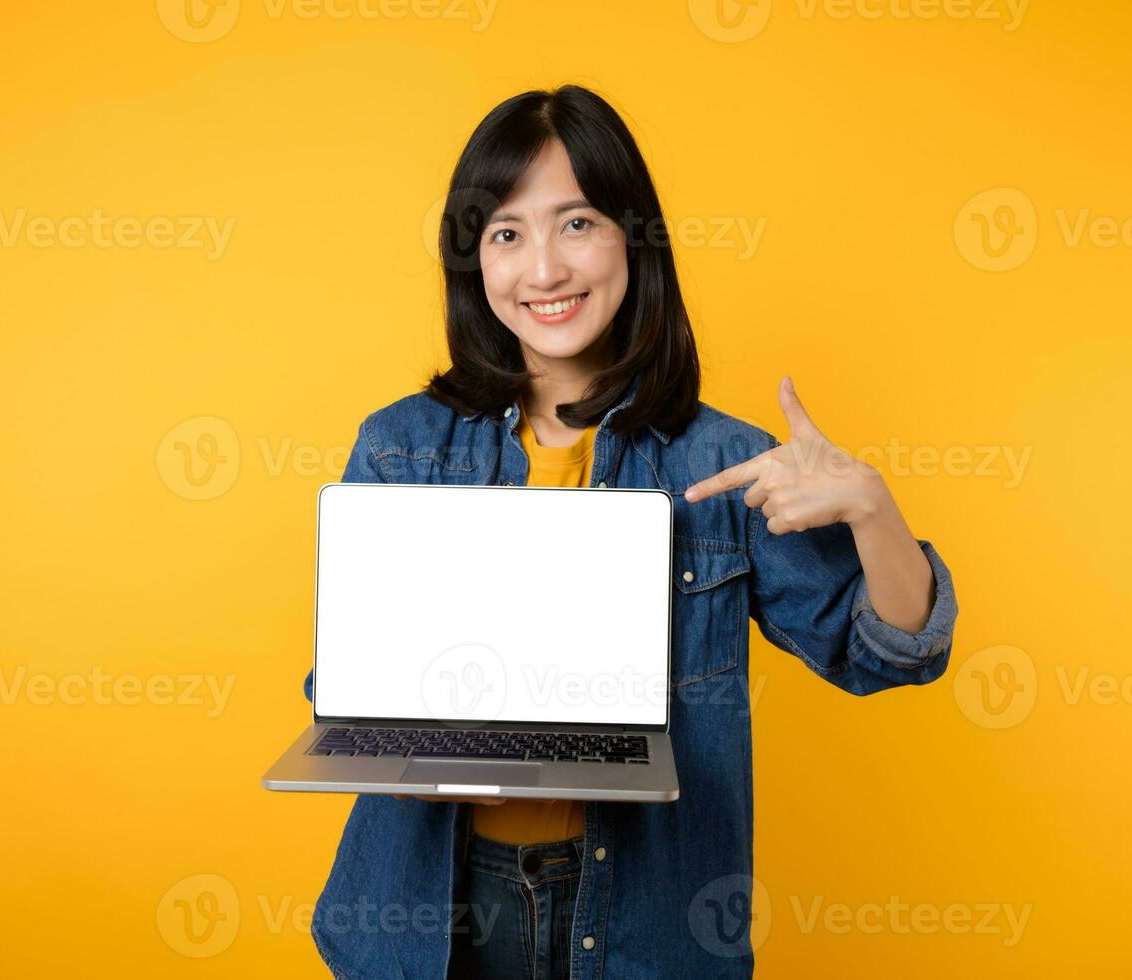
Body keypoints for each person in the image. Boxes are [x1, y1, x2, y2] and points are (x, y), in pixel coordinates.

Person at [302, 84, 959, 980]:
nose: (544, 270)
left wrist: (875, 511)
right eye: (507, 233)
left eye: (577, 223)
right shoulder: (402, 445)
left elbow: (889, 655)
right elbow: (341, 690)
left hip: (646, 922)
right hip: (429, 917)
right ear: (475, 262)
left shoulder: (724, 461)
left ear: (632, 236)